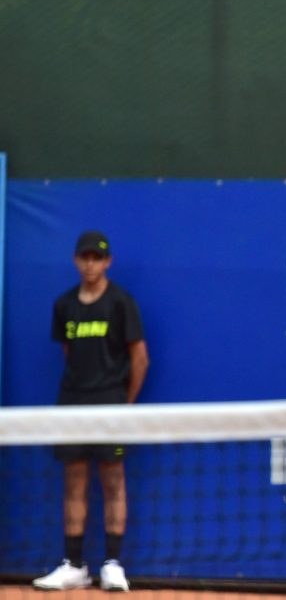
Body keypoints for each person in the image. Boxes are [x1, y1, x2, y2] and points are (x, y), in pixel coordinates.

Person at [33, 230, 150, 593]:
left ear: (107, 261)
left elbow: (140, 358)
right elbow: (69, 353)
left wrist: (123, 405)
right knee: (74, 482)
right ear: (75, 260)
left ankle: (112, 564)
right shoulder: (64, 305)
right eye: (84, 257)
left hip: (111, 405)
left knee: (113, 480)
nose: (90, 264)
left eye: (97, 258)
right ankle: (74, 566)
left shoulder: (120, 303)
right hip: (71, 405)